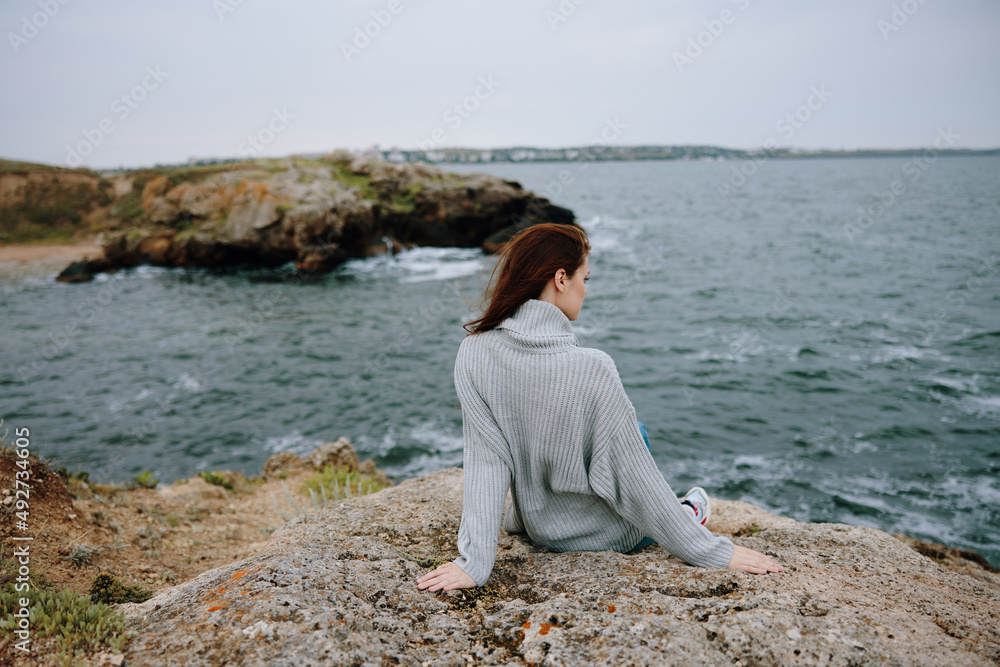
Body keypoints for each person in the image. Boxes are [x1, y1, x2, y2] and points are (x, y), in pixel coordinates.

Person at [416, 223, 782, 592]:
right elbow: (636, 479)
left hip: (541, 528)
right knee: (635, 434)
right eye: (585, 278)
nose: (586, 291)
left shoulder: (473, 352)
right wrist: (708, 551)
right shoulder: (594, 367)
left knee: (612, 433)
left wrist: (475, 563)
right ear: (561, 278)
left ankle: (677, 510)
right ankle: (687, 514)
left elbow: (487, 461)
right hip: (608, 534)